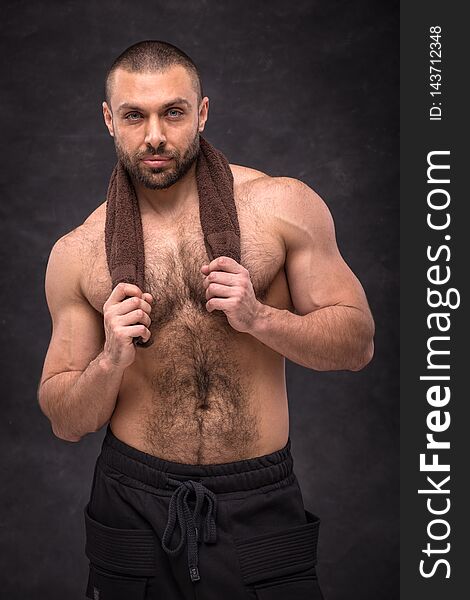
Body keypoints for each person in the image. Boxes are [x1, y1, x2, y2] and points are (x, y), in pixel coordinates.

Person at [38, 40, 374, 600]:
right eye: (134, 115)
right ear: (108, 120)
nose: (154, 135)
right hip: (131, 504)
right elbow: (65, 418)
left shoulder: (281, 206)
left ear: (202, 113)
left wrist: (260, 317)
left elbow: (358, 342)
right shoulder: (79, 252)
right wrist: (111, 360)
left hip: (259, 501)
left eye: (172, 112)